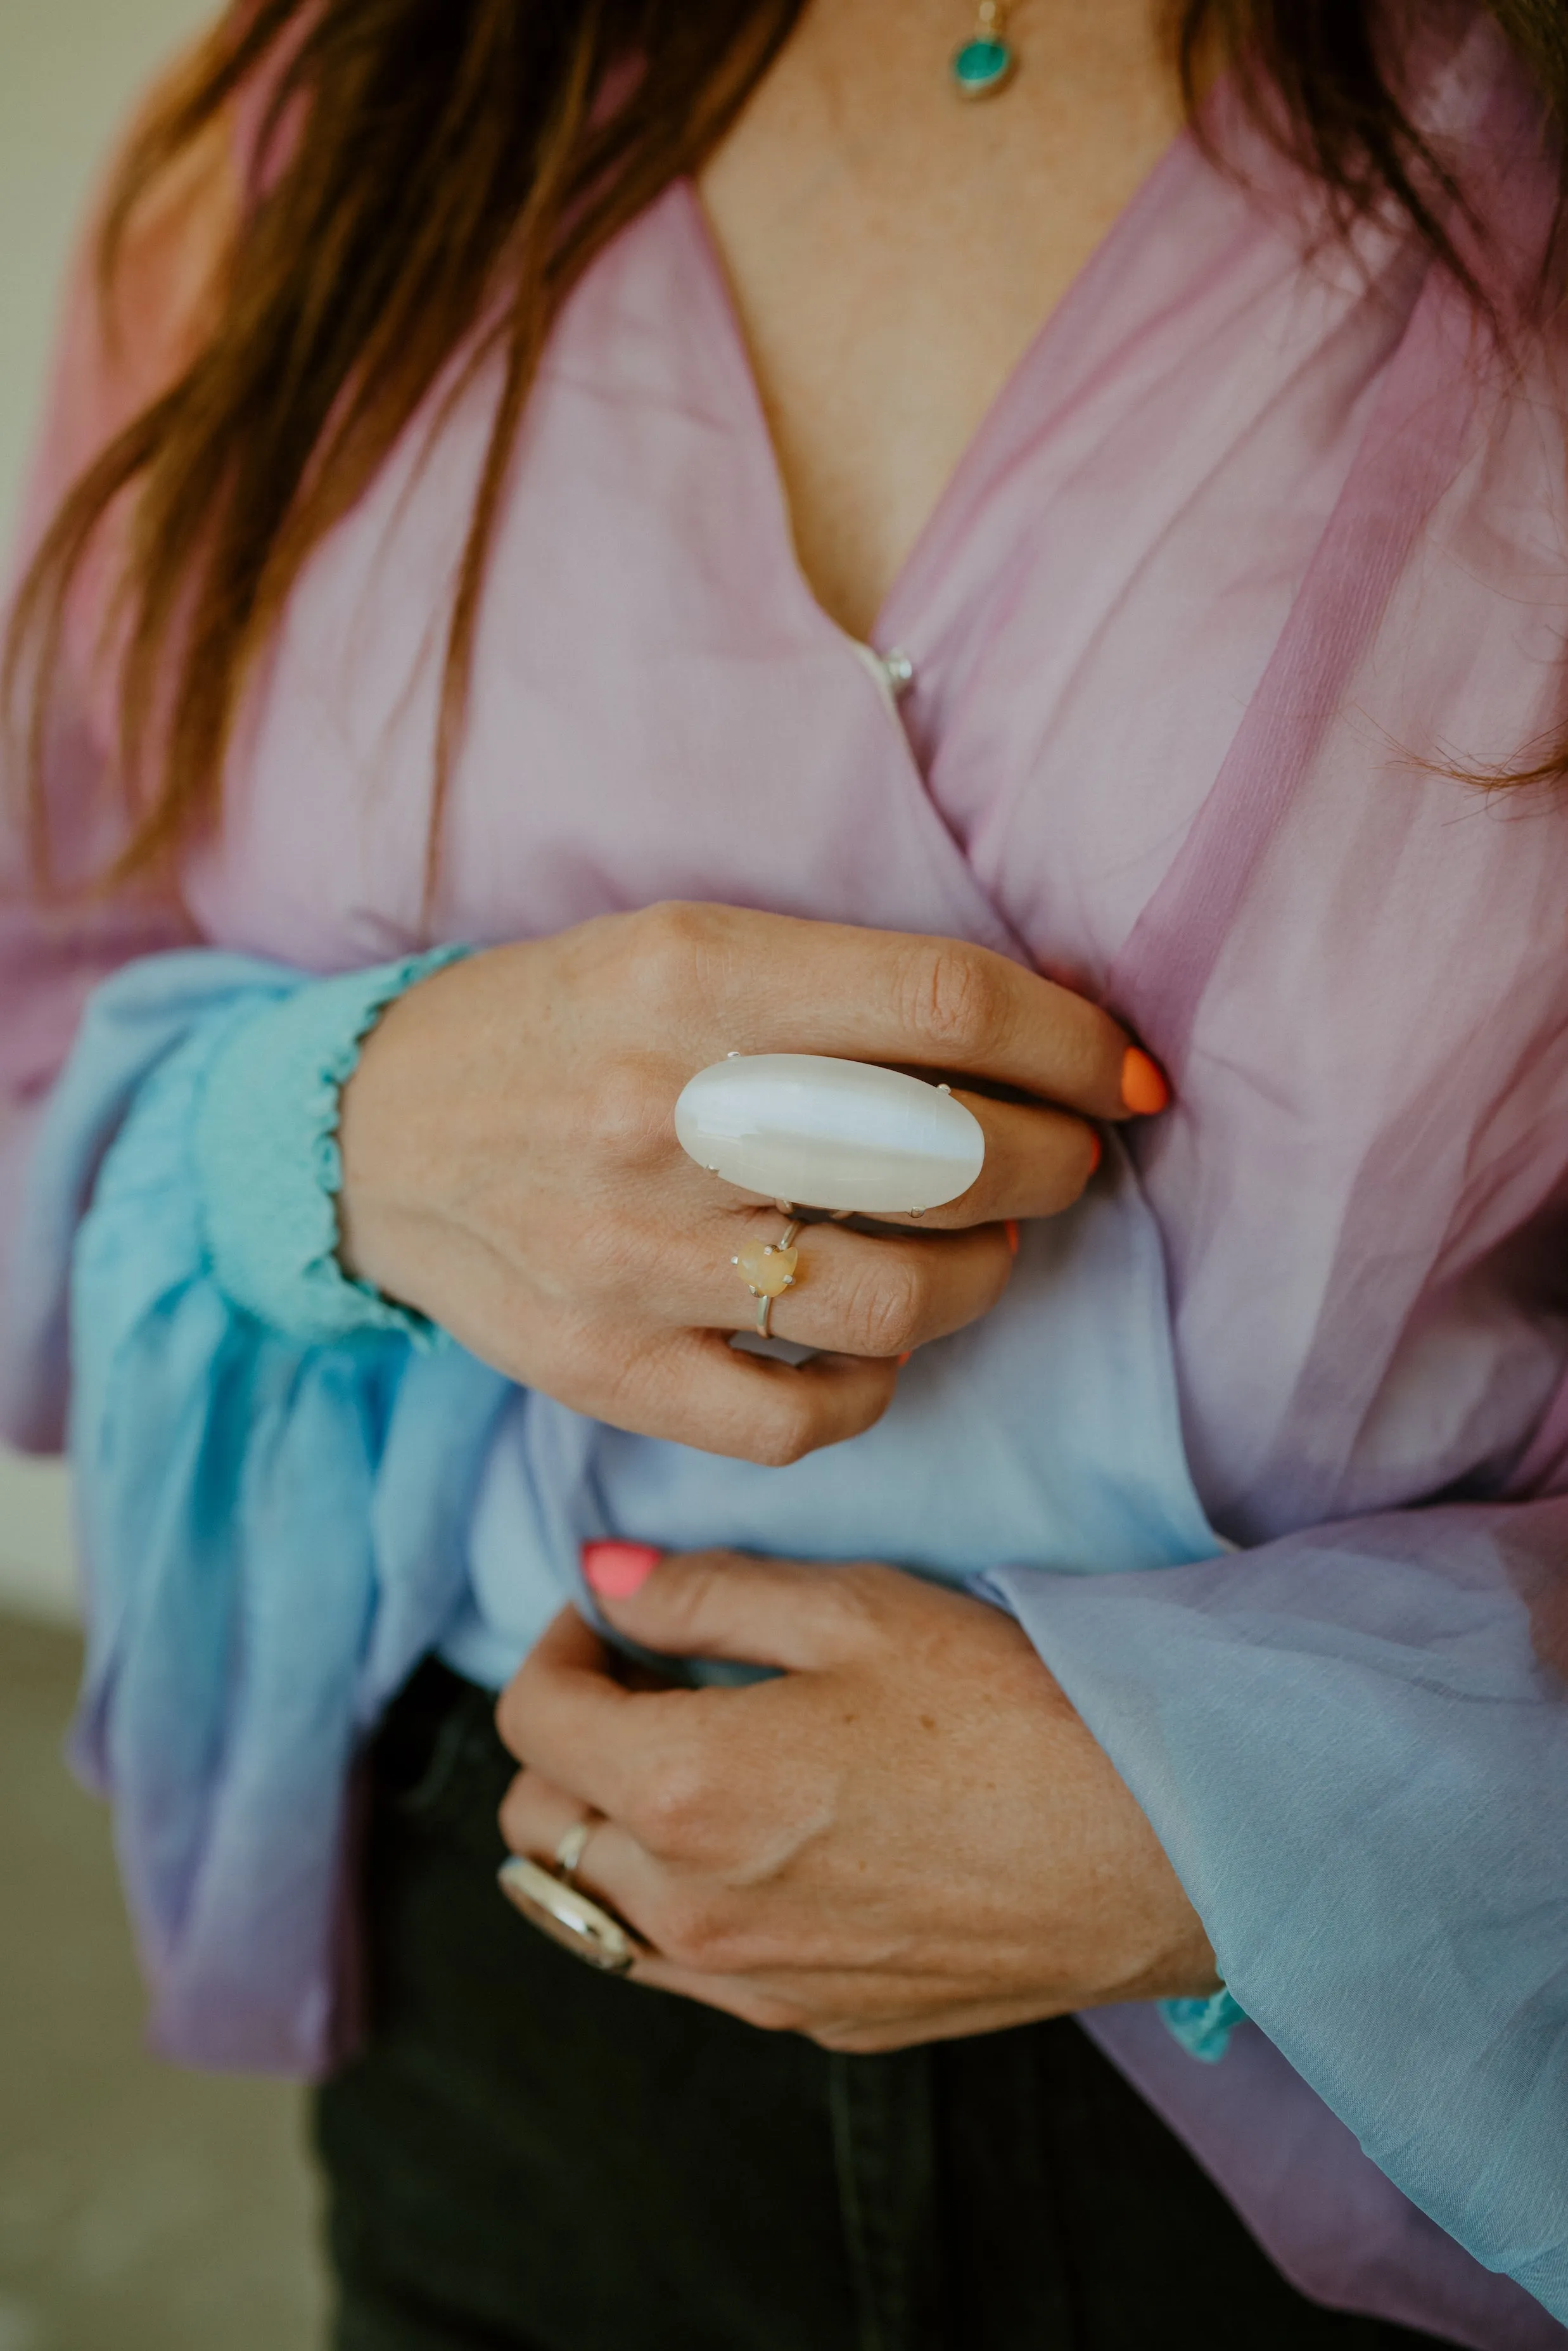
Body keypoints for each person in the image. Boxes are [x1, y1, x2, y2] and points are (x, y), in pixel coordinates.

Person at [2, 1, 1566, 2343]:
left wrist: (1236, 1816)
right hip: (537, 1980)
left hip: (1400, 2097)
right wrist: (338, 1121)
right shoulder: (331, 116)